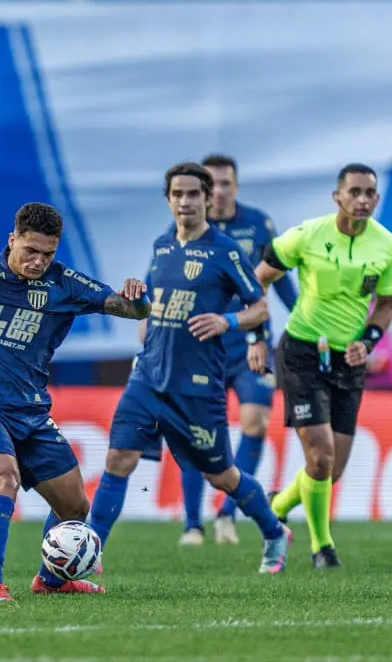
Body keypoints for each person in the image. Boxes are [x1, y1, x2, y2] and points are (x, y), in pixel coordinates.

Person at [0, 202, 150, 603]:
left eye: (47, 254)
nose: (38, 261)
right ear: (12, 239)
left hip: (31, 411)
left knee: (75, 505)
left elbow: (130, 310)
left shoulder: (64, 283)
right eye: (30, 251)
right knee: (3, 478)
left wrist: (138, 299)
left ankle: (51, 579)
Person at [87, 163, 290, 574]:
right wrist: (138, 305)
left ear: (207, 198)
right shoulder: (162, 245)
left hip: (196, 384)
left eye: (194, 193)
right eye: (178, 194)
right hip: (148, 376)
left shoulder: (225, 250)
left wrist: (227, 321)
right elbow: (151, 304)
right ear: (168, 200)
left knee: (222, 475)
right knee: (119, 458)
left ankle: (273, 531)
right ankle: (90, 553)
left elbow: (259, 307)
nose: (186, 201)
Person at [255, 164, 392, 569]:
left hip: (348, 361)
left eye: (369, 193)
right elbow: (259, 279)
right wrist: (256, 334)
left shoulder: (387, 245)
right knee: (320, 458)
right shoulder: (306, 235)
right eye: (354, 192)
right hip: (303, 352)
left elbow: (385, 305)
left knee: (331, 470)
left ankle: (277, 506)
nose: (362, 199)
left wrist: (367, 342)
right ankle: (323, 548)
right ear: (337, 196)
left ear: (377, 198)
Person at [173, 155, 299, 547]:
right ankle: (192, 524)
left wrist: (303, 317)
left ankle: (227, 513)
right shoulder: (182, 231)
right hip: (201, 346)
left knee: (255, 422)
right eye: (212, 184)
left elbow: (279, 280)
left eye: (226, 183)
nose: (219, 191)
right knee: (195, 434)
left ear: (236, 187)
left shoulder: (259, 225)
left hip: (250, 344)